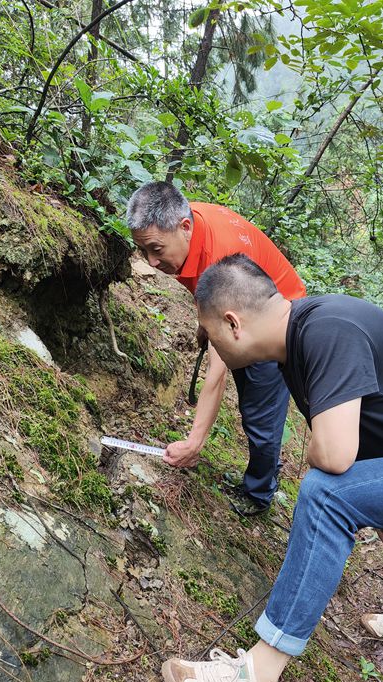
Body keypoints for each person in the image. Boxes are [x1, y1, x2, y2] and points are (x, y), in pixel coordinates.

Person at [161, 254, 383, 682]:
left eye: (210, 337)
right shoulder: (299, 341)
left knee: (325, 495)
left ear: (233, 324)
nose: (210, 346)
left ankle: (258, 677)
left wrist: (354, 480)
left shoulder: (327, 329)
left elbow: (335, 455)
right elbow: (381, 415)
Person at [126, 182, 306, 516]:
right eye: (143, 252)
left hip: (279, 320)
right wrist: (205, 321)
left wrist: (194, 443)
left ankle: (260, 491)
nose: (151, 262)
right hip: (238, 305)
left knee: (260, 415)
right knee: (252, 403)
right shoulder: (182, 222)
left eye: (156, 249)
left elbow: (216, 374)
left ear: (184, 228)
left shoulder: (219, 261)